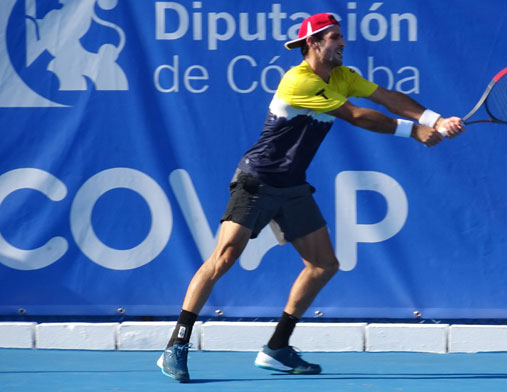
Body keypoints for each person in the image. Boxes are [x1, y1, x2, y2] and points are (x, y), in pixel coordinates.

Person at [158, 12, 465, 382]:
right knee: (224, 257)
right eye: (334, 37)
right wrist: (413, 132)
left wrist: (434, 118)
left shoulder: (342, 75)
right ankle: (176, 344)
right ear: (313, 44)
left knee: (324, 264)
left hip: (293, 186)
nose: (342, 43)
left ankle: (277, 348)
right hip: (256, 180)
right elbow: (356, 115)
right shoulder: (298, 81)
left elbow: (385, 97)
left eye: (341, 36)